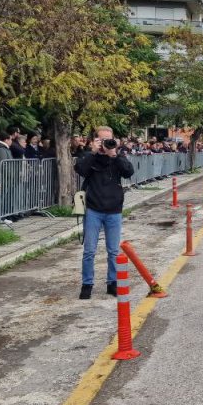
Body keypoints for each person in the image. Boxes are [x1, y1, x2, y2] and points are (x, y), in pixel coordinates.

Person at [73, 127, 135, 300]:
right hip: (93, 208)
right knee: (89, 250)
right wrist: (93, 152)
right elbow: (80, 170)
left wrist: (114, 154)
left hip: (114, 209)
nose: (107, 143)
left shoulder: (117, 156)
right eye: (103, 140)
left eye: (110, 139)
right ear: (95, 140)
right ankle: (87, 284)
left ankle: (112, 283)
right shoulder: (89, 155)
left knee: (113, 251)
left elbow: (129, 172)